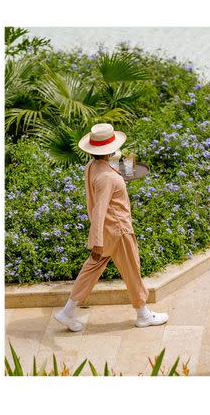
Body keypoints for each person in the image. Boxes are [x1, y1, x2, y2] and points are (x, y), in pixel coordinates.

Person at [54, 123, 168, 332]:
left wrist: (126, 165)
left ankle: (68, 311)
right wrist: (96, 241)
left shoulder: (93, 166)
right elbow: (100, 209)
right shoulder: (108, 177)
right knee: (132, 269)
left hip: (108, 230)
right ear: (110, 149)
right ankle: (143, 314)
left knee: (91, 269)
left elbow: (116, 174)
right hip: (118, 230)